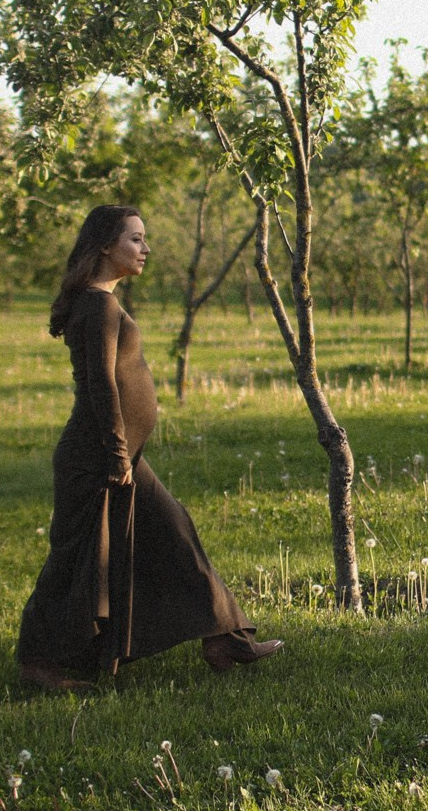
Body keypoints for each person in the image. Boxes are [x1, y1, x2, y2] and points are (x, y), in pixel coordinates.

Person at [17, 205, 282, 691]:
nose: (146, 249)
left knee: (174, 529)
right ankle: (38, 663)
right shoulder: (97, 306)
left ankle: (224, 637)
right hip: (98, 455)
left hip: (116, 454)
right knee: (75, 557)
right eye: (136, 239)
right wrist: (117, 454)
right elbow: (101, 385)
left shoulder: (101, 302)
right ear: (105, 245)